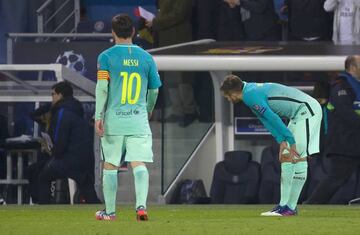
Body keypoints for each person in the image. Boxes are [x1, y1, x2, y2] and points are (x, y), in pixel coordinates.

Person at [220, 75, 322, 216]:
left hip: (307, 110)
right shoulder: (249, 92)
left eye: (227, 96)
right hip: (297, 114)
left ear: (233, 91)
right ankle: (283, 206)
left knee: (297, 157)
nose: (228, 99)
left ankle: (290, 208)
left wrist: (290, 140)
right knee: (287, 158)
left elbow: (273, 118)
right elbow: (266, 120)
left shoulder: (250, 94)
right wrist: (282, 140)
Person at [95, 14, 161, 221]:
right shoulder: (146, 57)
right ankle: (141, 206)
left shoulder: (105, 57)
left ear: (113, 33)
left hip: (114, 120)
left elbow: (102, 88)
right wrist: (149, 109)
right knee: (138, 163)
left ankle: (110, 212)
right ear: (133, 32)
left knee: (111, 165)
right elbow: (154, 91)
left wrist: (98, 116)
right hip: (138, 119)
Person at [27, 81, 99, 204]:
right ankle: (102, 212)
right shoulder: (76, 109)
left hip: (69, 159)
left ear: (60, 95)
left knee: (43, 177)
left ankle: (43, 211)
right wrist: (53, 106)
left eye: (53, 95)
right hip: (85, 159)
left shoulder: (62, 113)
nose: (52, 98)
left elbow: (61, 142)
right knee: (88, 192)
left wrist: (51, 151)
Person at [306, 55, 360, 204]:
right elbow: (345, 112)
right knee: (336, 178)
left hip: (354, 141)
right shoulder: (341, 86)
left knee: (337, 177)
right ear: (352, 67)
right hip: (344, 143)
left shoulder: (355, 85)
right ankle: (312, 205)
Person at [145, 0, 198, 127]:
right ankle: (177, 110)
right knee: (170, 78)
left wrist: (156, 21)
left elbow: (179, 14)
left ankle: (189, 111)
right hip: (164, 38)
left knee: (182, 77)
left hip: (179, 38)